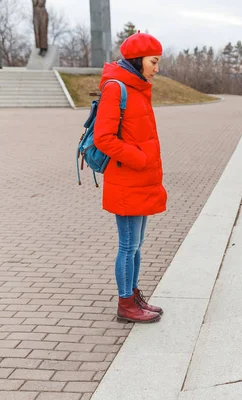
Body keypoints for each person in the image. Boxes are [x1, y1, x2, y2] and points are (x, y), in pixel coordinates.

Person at [94, 32, 167, 323]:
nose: (157, 68)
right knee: (127, 246)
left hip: (141, 181)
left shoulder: (138, 88)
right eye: (154, 61)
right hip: (127, 180)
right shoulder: (117, 88)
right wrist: (139, 158)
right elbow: (103, 138)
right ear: (138, 60)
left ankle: (134, 295)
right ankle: (125, 304)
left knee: (136, 246)